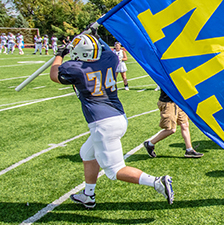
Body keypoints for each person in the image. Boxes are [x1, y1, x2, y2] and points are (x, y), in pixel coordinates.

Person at [49, 33, 174, 208]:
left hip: (102, 123)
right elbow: (105, 50)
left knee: (115, 170)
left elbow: (55, 75)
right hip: (118, 117)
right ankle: (88, 195)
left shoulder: (75, 68)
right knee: (87, 153)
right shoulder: (109, 58)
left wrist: (59, 55)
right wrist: (96, 37)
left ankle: (156, 182)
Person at [143, 89, 204, 159]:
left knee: (185, 125)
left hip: (178, 101)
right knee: (171, 129)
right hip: (168, 102)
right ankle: (150, 144)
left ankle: (189, 150)